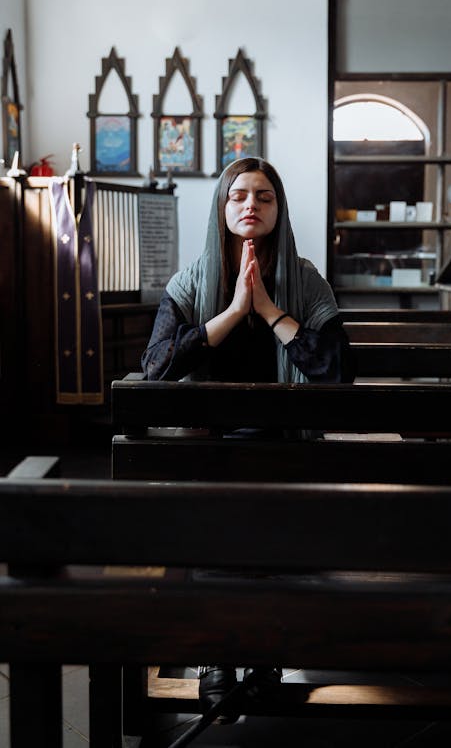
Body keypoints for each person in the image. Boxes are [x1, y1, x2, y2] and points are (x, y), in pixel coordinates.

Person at [141, 156, 355, 722]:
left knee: (268, 517)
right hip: (208, 448)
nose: (250, 205)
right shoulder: (191, 280)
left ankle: (263, 655)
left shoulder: (306, 280)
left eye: (263, 196)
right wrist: (235, 311)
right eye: (238, 195)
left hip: (287, 446)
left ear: (278, 210)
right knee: (216, 515)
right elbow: (156, 368)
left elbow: (337, 372)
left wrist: (270, 311)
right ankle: (218, 657)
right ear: (222, 206)